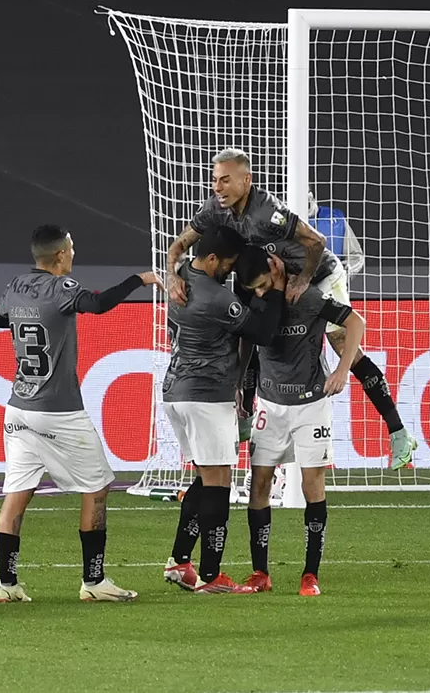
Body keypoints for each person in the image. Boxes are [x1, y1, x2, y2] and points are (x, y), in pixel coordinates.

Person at [164, 148, 415, 469]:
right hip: (267, 277)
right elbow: (178, 246)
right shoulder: (215, 208)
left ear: (246, 180)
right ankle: (245, 412)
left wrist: (303, 280)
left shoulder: (268, 211)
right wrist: (172, 274)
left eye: (225, 180)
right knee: (251, 333)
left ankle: (398, 432)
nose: (217, 187)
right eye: (215, 180)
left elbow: (317, 242)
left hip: (318, 274)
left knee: (343, 346)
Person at [0, 225, 161, 603]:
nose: (74, 253)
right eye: (71, 248)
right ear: (59, 256)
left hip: (18, 408)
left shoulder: (16, 285)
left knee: (17, 494)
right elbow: (98, 304)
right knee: (96, 489)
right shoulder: (62, 290)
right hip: (58, 412)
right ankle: (94, 582)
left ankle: (6, 583)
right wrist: (139, 279)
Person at [160, 226, 285, 594]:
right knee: (219, 484)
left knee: (204, 479)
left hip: (176, 391)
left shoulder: (180, 277)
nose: (231, 272)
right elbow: (263, 333)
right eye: (228, 264)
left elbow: (175, 254)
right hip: (206, 396)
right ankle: (211, 576)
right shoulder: (216, 298)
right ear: (212, 259)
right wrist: (275, 288)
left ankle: (180, 562)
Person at [235, 246, 365, 597]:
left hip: (311, 405)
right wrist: (239, 387)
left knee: (312, 486)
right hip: (270, 405)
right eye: (255, 288)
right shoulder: (255, 301)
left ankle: (310, 575)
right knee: (259, 486)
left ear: (277, 269)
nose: (260, 292)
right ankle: (260, 572)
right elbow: (247, 341)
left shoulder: (308, 298)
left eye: (263, 284)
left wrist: (341, 370)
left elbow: (355, 322)